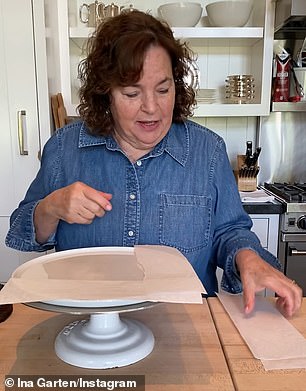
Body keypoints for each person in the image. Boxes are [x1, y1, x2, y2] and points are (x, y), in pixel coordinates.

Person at [6, 10, 301, 317]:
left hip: (185, 332)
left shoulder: (207, 151)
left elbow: (229, 232)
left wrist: (248, 256)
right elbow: (22, 231)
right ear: (105, 92)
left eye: (163, 89)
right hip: (84, 328)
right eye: (132, 92)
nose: (151, 108)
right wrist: (51, 207)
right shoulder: (64, 149)